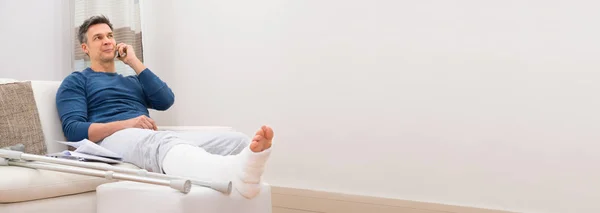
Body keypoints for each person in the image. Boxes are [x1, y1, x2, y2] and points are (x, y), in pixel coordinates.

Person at [55, 15, 273, 198]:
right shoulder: (76, 81)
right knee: (159, 141)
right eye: (98, 37)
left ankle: (239, 175)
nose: (107, 41)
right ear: (85, 48)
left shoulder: (132, 81)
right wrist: (127, 124)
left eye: (110, 36)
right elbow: (73, 130)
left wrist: (134, 62)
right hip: (111, 141)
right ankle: (234, 175)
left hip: (147, 136)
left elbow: (166, 100)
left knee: (235, 141)